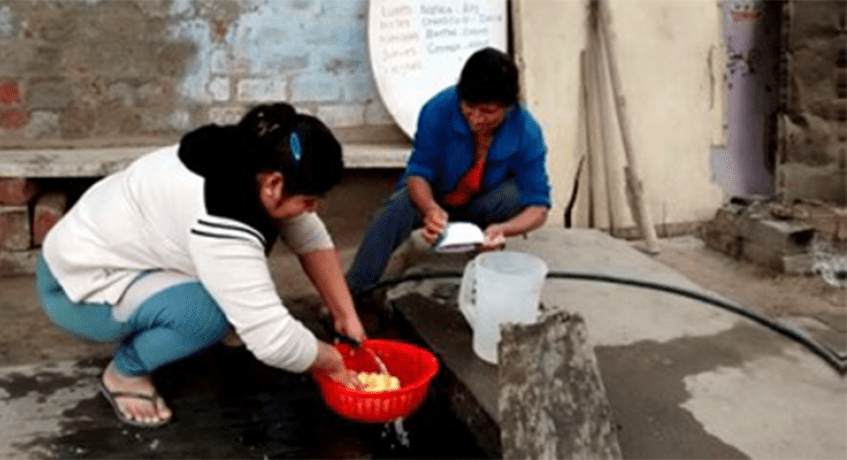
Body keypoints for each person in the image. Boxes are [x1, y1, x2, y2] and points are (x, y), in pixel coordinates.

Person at [36, 103, 366, 428]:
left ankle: (169, 316)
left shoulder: (250, 155)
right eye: (308, 200)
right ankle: (125, 373)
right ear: (274, 185)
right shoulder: (221, 213)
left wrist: (345, 314)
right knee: (211, 316)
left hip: (96, 254)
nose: (312, 210)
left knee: (242, 293)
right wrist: (332, 362)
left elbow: (310, 237)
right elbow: (273, 341)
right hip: (75, 289)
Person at [346, 47, 552, 297]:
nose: (476, 118)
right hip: (435, 196)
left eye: (487, 112)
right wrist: (430, 209)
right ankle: (354, 292)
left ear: (508, 106)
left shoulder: (526, 131)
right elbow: (418, 173)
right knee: (393, 211)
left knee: (516, 194)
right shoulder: (437, 110)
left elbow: (539, 207)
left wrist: (504, 229)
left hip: (482, 205)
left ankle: (482, 242)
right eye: (469, 107)